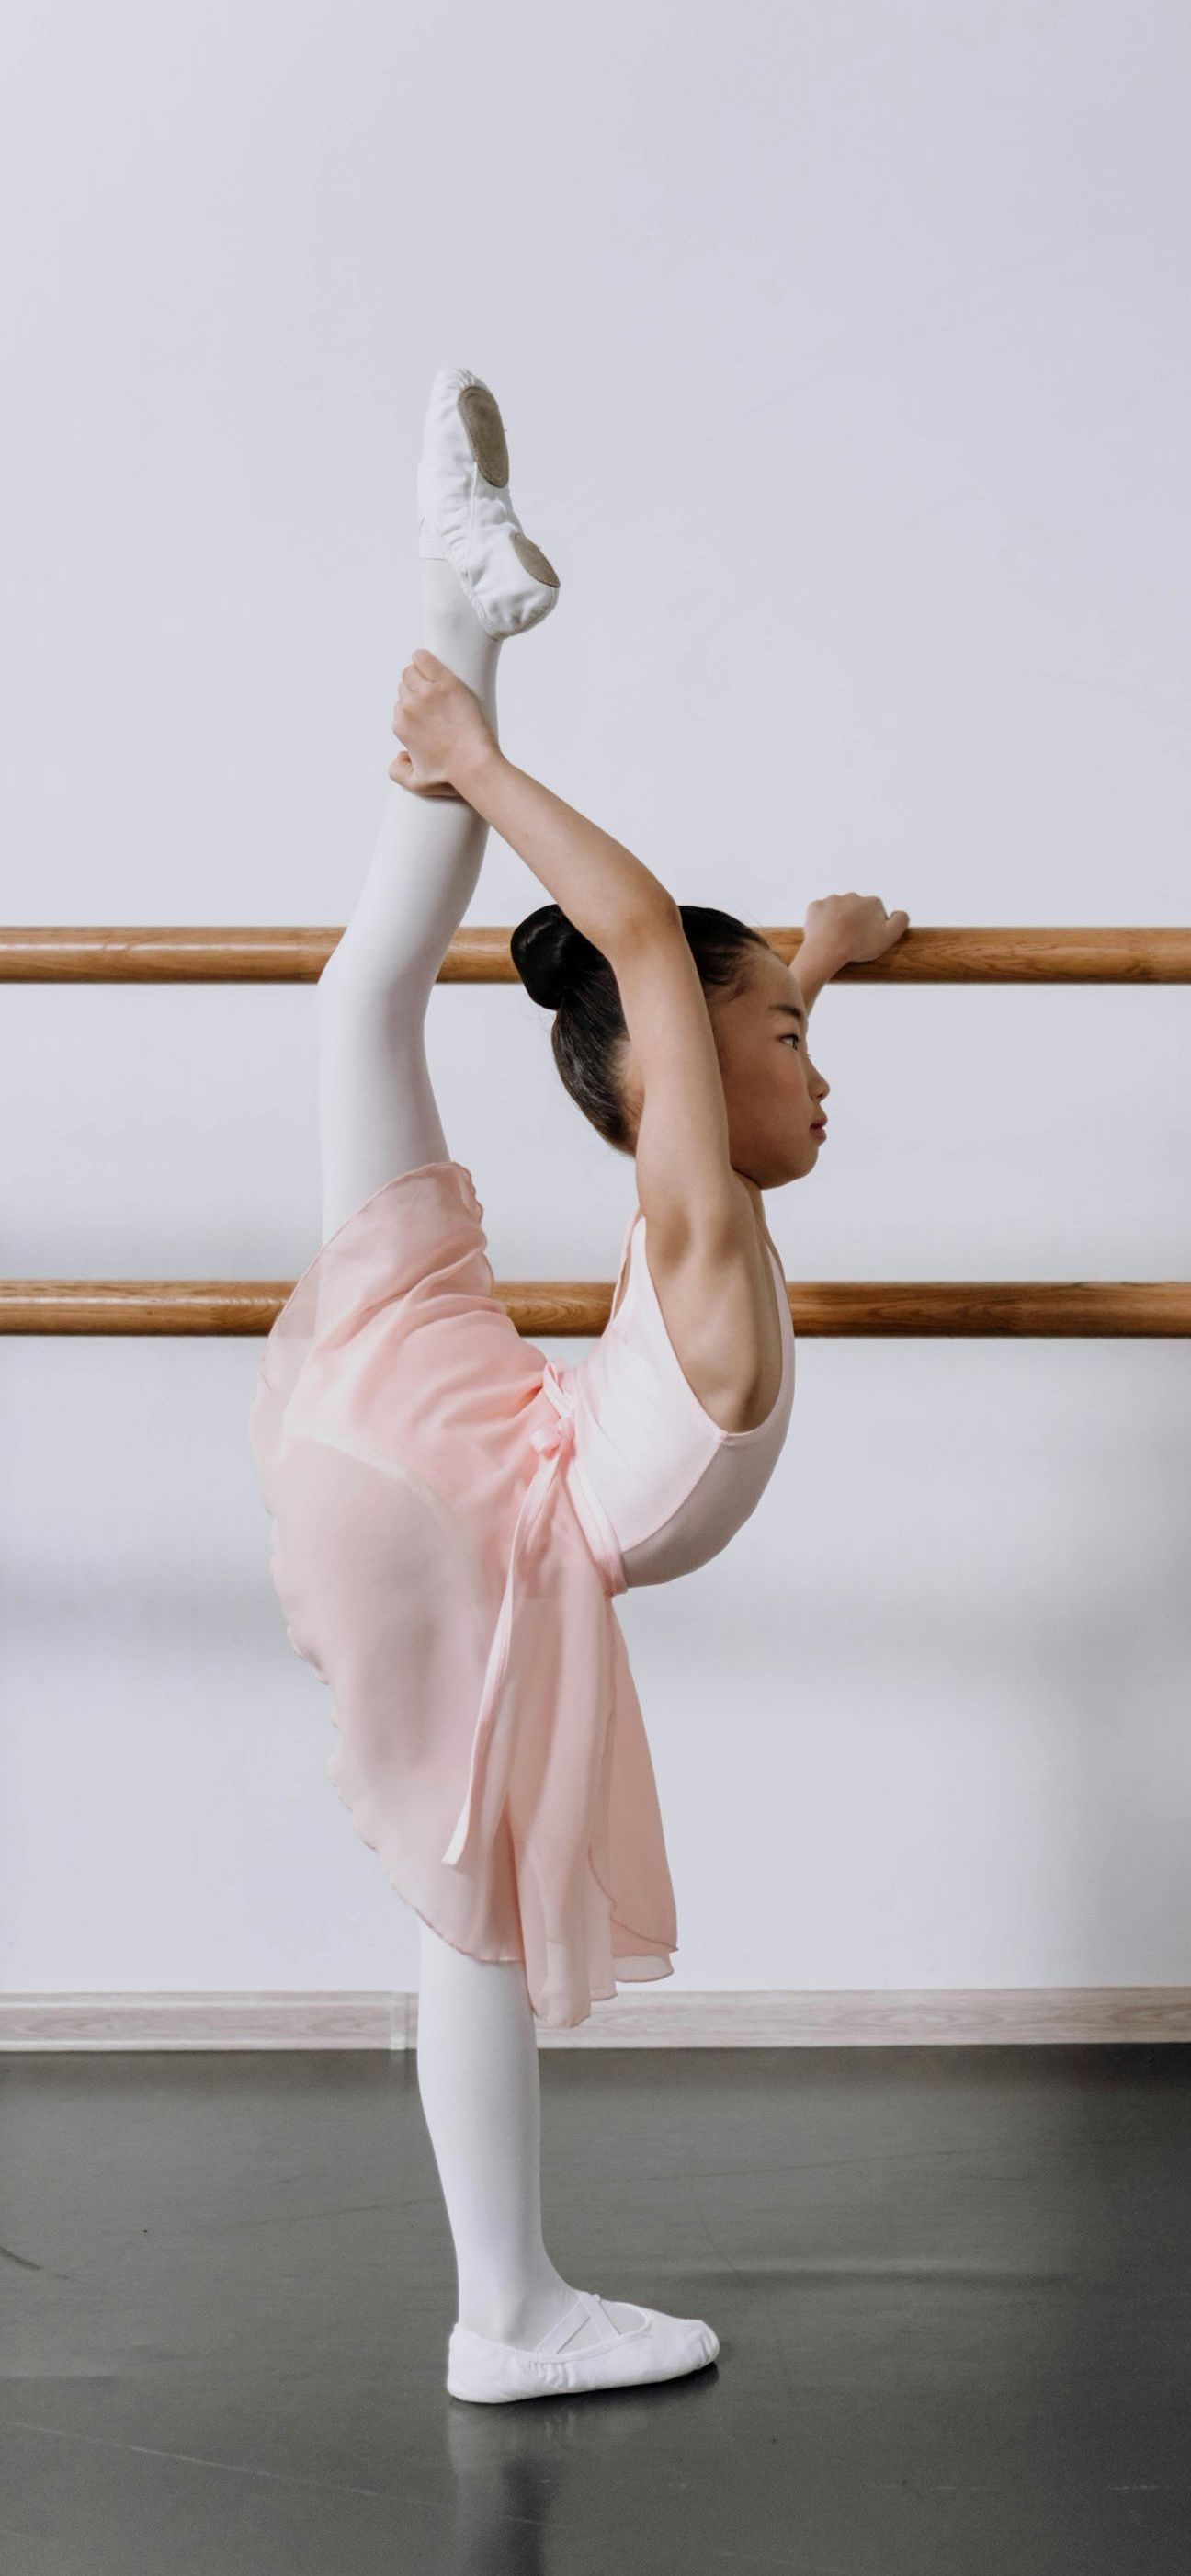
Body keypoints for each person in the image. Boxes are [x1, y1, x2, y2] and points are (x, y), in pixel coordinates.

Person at [249, 366, 909, 2403]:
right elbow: (641, 942)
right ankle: (506, 2316)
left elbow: (690, 995)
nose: (821, 1058)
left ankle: (460, 590)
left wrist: (822, 940)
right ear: (689, 1084)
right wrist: (475, 761)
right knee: (471, 1912)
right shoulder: (696, 1230)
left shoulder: (686, 1207)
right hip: (482, 1512)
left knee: (365, 999)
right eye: (788, 1034)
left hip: (446, 1434)